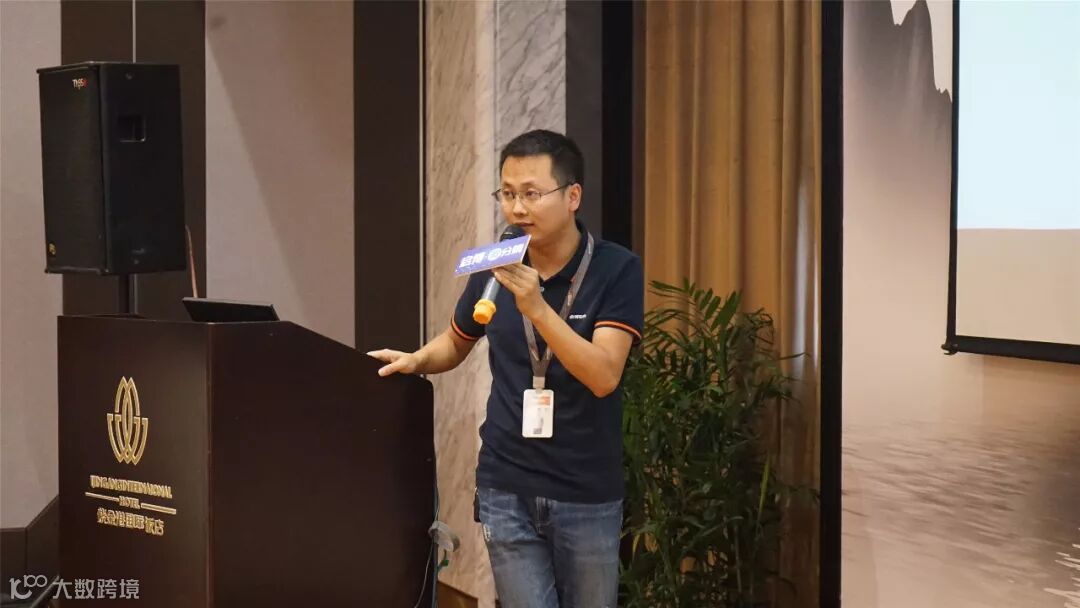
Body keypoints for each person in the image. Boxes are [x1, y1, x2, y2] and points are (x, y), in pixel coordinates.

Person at [368, 129, 643, 608]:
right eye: (508, 194)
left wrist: (538, 308)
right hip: (506, 482)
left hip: (584, 489)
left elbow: (604, 376)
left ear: (573, 196)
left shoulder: (616, 269)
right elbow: (456, 341)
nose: (517, 209)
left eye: (532, 194)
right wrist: (417, 360)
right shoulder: (496, 264)